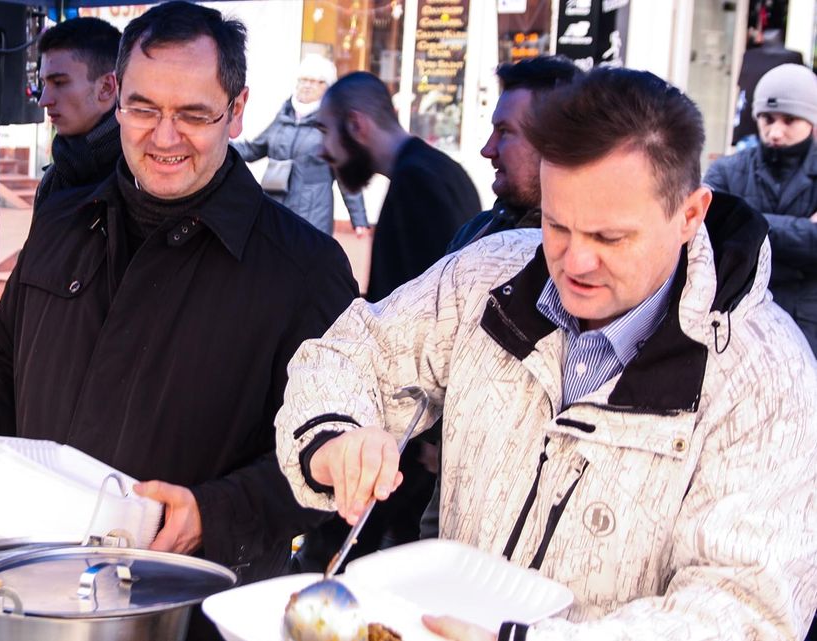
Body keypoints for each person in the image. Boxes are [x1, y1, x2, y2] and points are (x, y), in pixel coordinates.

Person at [276, 67, 817, 640]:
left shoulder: (765, 373)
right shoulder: (487, 273)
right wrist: (333, 437)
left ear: (689, 214)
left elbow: (746, 609)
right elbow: (353, 352)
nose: (574, 263)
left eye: (610, 237)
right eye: (558, 225)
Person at [0, 2, 357, 638]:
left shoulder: (304, 268)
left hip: (190, 612)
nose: (164, 137)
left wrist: (211, 513)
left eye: (193, 114)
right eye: (143, 109)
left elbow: (322, 461)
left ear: (237, 110)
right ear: (118, 101)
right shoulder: (60, 221)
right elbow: (0, 367)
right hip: (33, 593)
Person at [317, 71, 480, 302]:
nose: (321, 150)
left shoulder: (415, 183)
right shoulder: (443, 170)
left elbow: (412, 306)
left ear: (355, 125)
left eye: (325, 132)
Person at [706, 63, 817, 356]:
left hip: (808, 327)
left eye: (790, 120)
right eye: (767, 118)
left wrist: (744, 223)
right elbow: (708, 235)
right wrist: (802, 228)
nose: (775, 132)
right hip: (736, 327)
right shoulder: (728, 170)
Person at [447, 56, 580, 254]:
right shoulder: (478, 231)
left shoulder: (585, 252)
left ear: (556, 141)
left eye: (505, 131)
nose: (487, 150)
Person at [232, 54, 369, 237]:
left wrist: (358, 219)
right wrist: (218, 145)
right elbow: (253, 149)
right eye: (303, 79)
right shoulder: (283, 117)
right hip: (276, 207)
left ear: (327, 88)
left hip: (313, 214)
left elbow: (346, 175)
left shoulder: (333, 125)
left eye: (315, 81)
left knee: (308, 263)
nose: (307, 85)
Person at [33, 17, 123, 207]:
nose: (43, 101)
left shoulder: (141, 179)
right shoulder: (54, 178)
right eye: (44, 84)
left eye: (59, 83)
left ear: (106, 87)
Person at [732, 28, 803, 150]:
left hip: (775, 126)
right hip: (754, 125)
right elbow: (743, 91)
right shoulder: (749, 56)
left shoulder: (792, 57)